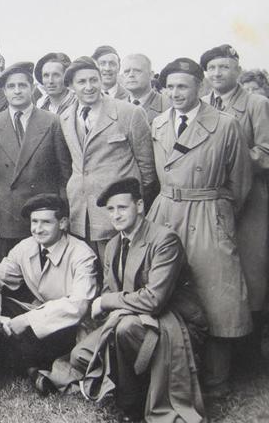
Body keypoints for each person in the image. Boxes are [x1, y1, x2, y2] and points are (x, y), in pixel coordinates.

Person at [57, 178, 207, 423]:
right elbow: (109, 291)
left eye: (122, 208)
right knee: (80, 356)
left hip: (173, 323)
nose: (116, 215)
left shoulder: (164, 240)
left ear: (139, 206)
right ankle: (142, 383)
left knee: (125, 331)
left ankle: (131, 405)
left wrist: (106, 302)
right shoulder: (115, 244)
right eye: (111, 210)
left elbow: (154, 300)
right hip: (130, 321)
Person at [147, 57, 252, 397]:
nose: (176, 93)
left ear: (201, 88)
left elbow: (239, 183)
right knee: (166, 286)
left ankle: (216, 379)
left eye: (183, 86)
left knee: (216, 292)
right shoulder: (160, 123)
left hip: (208, 210)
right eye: (171, 87)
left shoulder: (224, 125)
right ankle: (175, 371)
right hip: (165, 210)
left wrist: (218, 214)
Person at [0, 194, 97, 394]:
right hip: (40, 321)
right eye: (34, 222)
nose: (38, 228)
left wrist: (27, 319)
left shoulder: (82, 253)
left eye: (46, 222)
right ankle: (32, 368)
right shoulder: (26, 247)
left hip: (69, 327)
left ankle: (28, 365)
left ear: (62, 223)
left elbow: (78, 306)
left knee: (20, 337)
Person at [200, 44, 269, 357]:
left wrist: (232, 158)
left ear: (237, 71)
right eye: (212, 68)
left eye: (224, 67)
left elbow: (266, 154)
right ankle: (224, 347)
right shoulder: (202, 104)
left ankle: (250, 353)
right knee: (221, 272)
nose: (217, 73)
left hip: (250, 198)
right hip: (215, 197)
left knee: (252, 272)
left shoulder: (256, 103)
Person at [59, 57, 155, 264]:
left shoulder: (129, 113)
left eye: (94, 80)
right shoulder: (65, 117)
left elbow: (147, 169)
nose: (89, 87)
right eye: (81, 82)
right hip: (80, 211)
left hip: (117, 212)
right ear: (70, 87)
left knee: (120, 269)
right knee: (87, 269)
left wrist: (133, 205)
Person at [0, 62, 72, 259]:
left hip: (44, 213)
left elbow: (65, 174)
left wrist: (62, 212)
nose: (17, 91)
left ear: (32, 88)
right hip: (7, 214)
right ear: (4, 91)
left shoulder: (51, 121)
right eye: (11, 87)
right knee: (11, 275)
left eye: (22, 85)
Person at [121, 54, 170, 124]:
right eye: (126, 71)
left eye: (137, 71)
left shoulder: (168, 106)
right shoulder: (116, 107)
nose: (131, 75)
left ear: (151, 75)